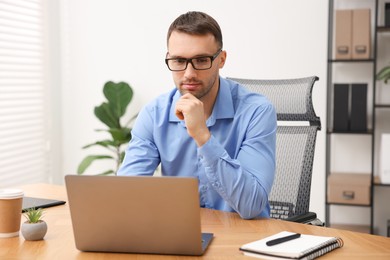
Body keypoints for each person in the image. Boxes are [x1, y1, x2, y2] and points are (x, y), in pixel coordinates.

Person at [118, 11, 276, 219]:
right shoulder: (154, 114)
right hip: (180, 236)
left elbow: (251, 205)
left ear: (221, 59)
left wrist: (203, 136)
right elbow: (126, 195)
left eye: (201, 60)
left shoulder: (257, 111)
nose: (189, 73)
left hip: (243, 240)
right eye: (179, 61)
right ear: (169, 59)